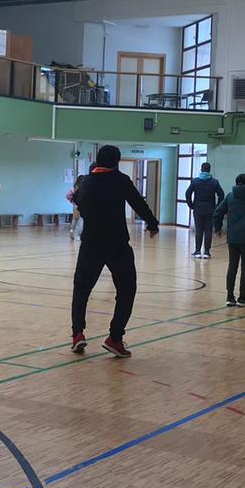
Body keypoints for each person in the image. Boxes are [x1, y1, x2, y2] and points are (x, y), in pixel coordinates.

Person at [70, 145, 159, 358]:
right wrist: (152, 223)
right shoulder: (120, 180)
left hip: (91, 243)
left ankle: (77, 334)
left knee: (81, 289)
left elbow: (80, 205)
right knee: (127, 289)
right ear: (116, 162)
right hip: (117, 244)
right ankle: (115, 338)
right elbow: (138, 203)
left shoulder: (86, 182)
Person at [213, 173, 245, 307]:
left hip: (233, 238)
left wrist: (218, 228)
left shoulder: (230, 196)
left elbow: (217, 212)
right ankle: (242, 297)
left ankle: (229, 297)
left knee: (232, 266)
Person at [185, 162, 224, 259]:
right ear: (209, 170)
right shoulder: (214, 182)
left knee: (199, 230)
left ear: (201, 169)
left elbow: (187, 193)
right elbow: (221, 195)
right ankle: (206, 252)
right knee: (208, 230)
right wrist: (217, 207)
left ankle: (197, 251)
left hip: (198, 209)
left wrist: (191, 205)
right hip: (211, 209)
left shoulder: (195, 181)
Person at [66, 174, 86, 241]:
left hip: (75, 205)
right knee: (81, 220)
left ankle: (71, 230)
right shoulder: (84, 188)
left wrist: (72, 200)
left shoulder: (74, 188)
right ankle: (79, 236)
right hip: (82, 205)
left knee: (75, 219)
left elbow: (68, 196)